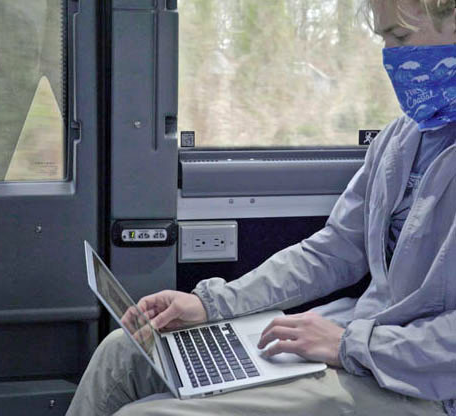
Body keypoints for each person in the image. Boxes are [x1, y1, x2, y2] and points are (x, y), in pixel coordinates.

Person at [66, 0, 456, 414]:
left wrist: (350, 345)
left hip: (423, 382)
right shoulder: (402, 139)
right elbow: (332, 250)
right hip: (359, 341)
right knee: (122, 352)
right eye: (384, 39)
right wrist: (211, 305)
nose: (391, 57)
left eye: (400, 37)